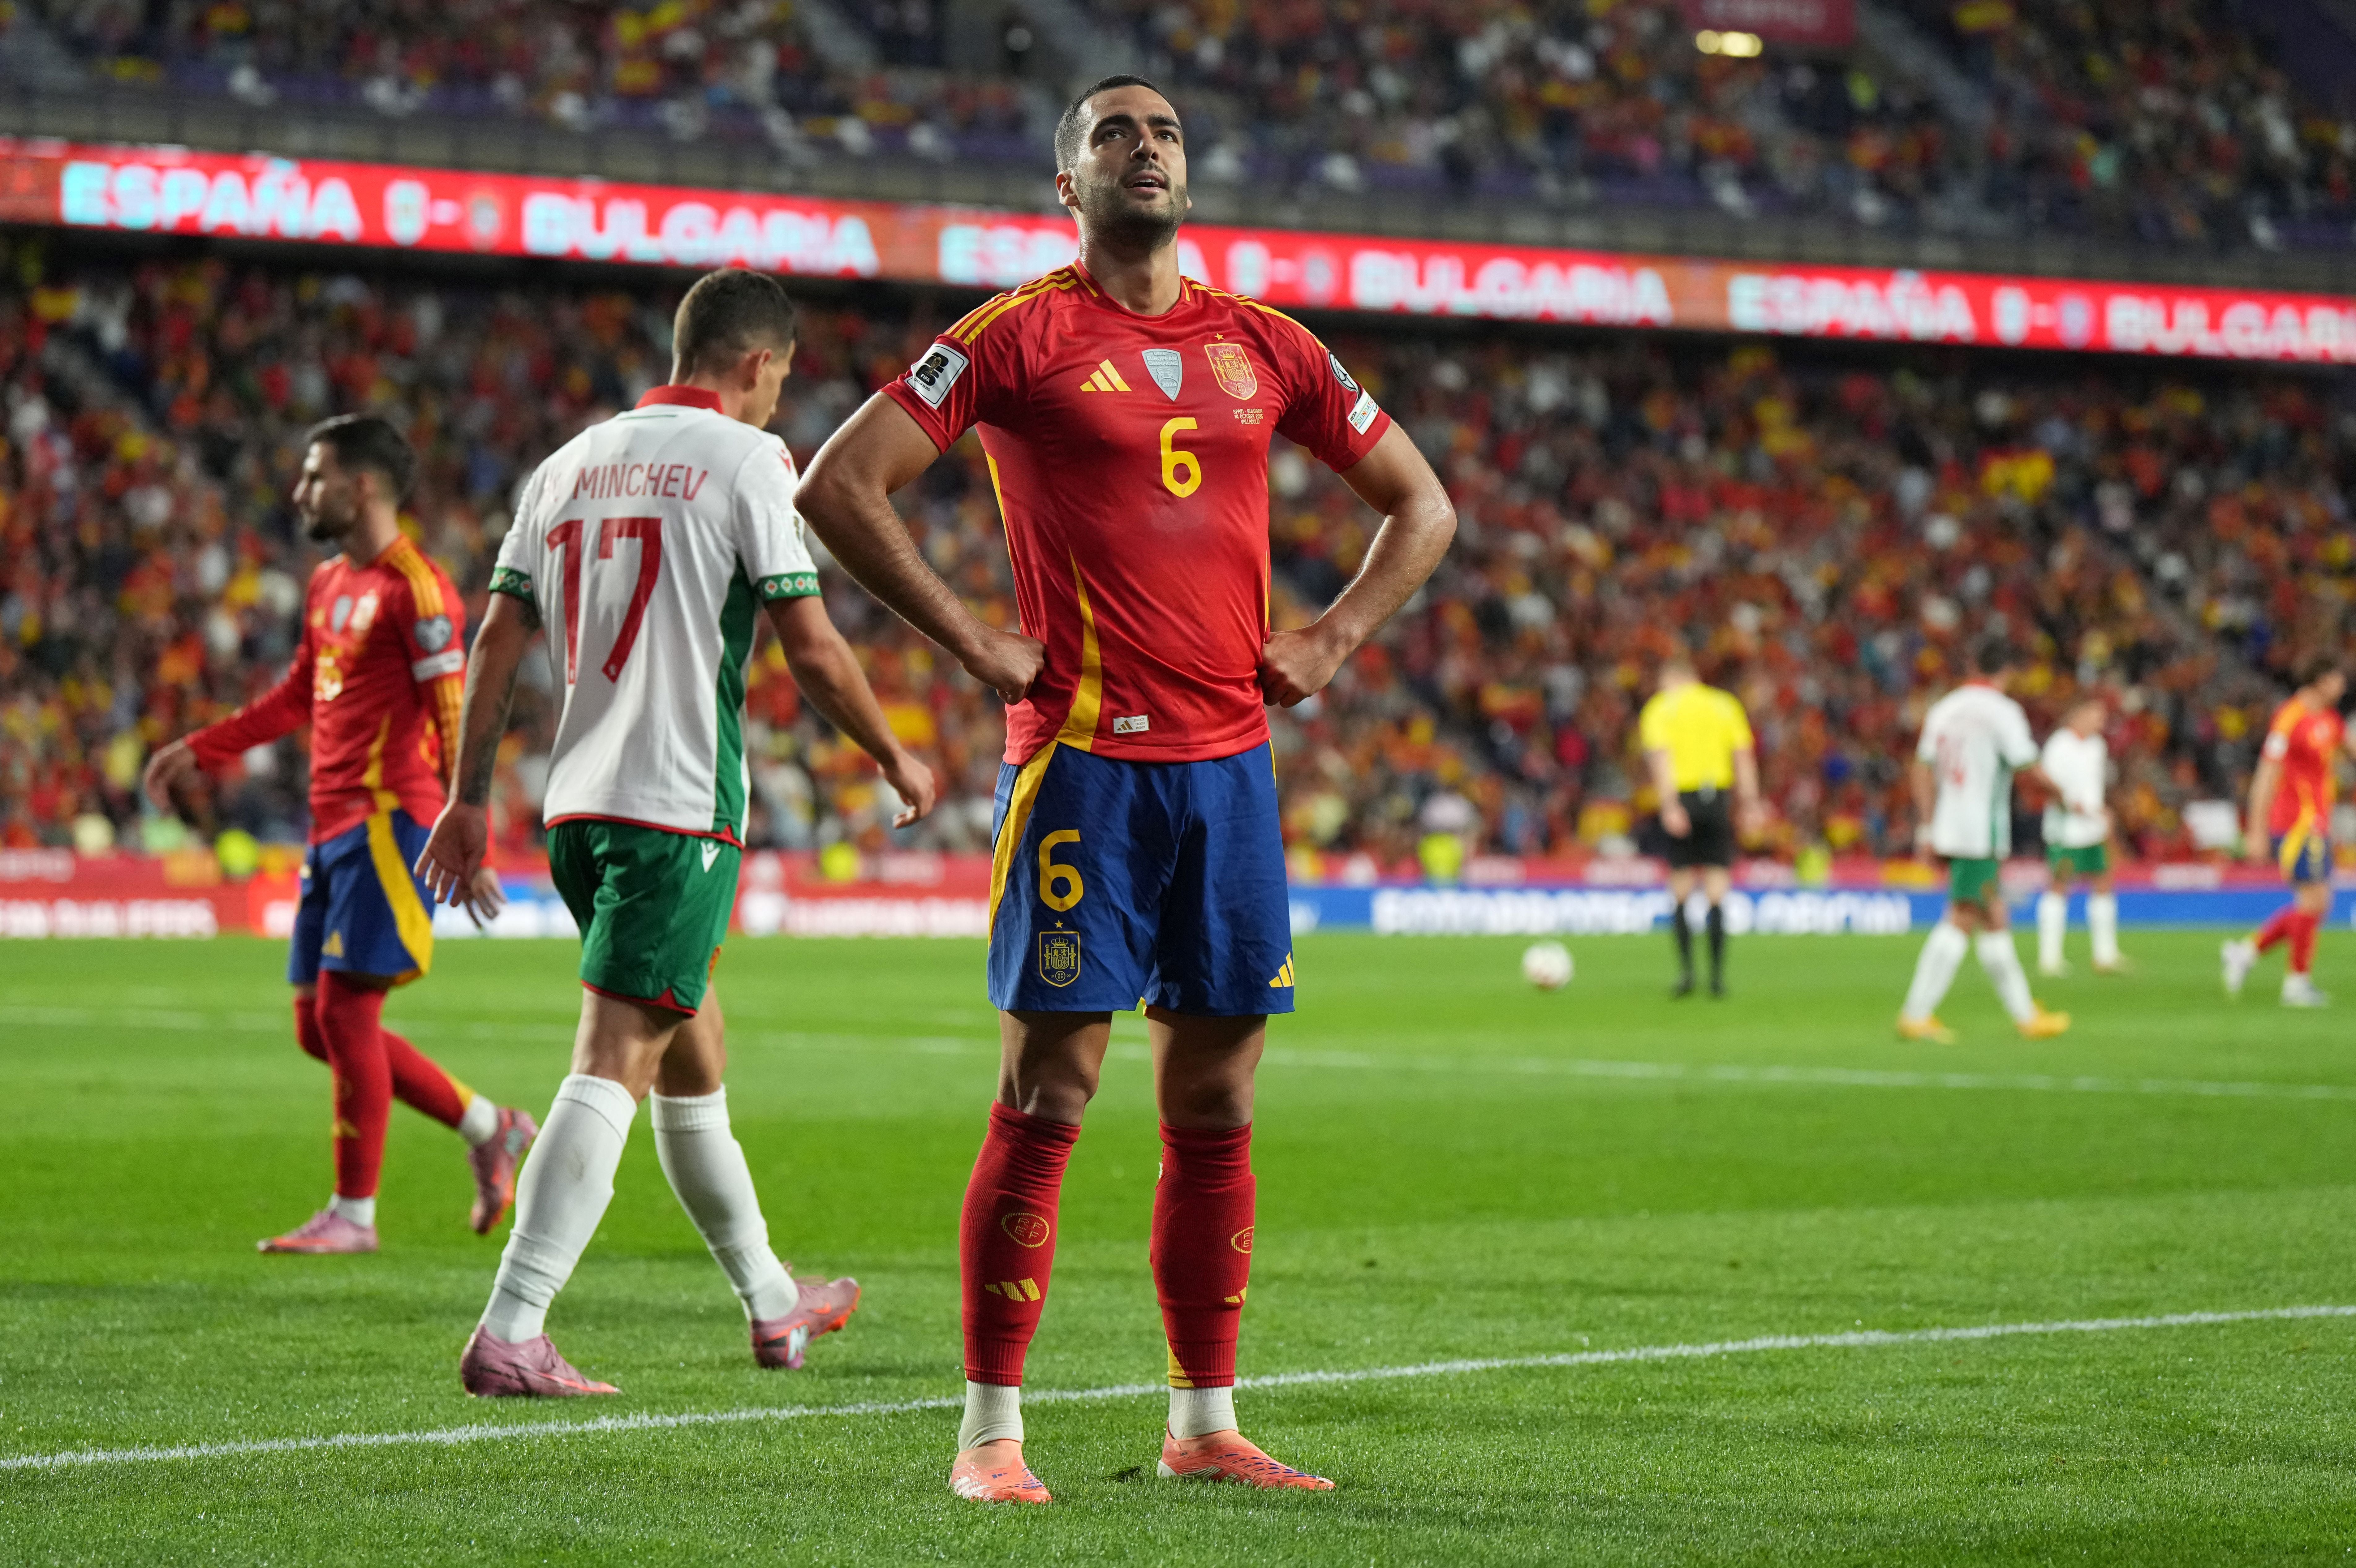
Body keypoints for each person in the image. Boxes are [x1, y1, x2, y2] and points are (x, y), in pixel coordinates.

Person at [793, 75, 1455, 1502]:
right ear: (1064, 185)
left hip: (1228, 771)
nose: (1141, 147)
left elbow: (1424, 502)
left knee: (1214, 1099)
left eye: (1160, 132)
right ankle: (986, 1438)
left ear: (1186, 174)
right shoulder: (1012, 334)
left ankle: (1202, 1423)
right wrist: (974, 642)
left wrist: (1333, 634)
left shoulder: (1263, 346)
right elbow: (839, 487)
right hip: (1082, 765)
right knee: (1051, 1087)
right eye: (1111, 133)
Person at [415, 269, 940, 1396]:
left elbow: (497, 638)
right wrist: (894, 751)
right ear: (759, 363)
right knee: (613, 1060)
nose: (778, 398)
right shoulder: (751, 459)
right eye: (783, 377)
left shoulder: (568, 462)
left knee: (691, 1046)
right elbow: (808, 643)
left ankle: (769, 1297)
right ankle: (512, 1327)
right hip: (675, 806)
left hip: (578, 807)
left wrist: (467, 797)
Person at [143, 415, 532, 1256]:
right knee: (314, 1025)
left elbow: (454, 711)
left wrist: (470, 826)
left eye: (314, 476)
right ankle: (490, 1124)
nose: (299, 492)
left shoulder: (418, 589)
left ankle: (353, 1215)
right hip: (331, 828)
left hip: (394, 820)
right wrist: (199, 749)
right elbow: (296, 695)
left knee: (346, 1007)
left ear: (360, 485)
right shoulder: (328, 582)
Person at [1895, 641, 2072, 1044]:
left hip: (1947, 825)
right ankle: (1915, 1014)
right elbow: (2028, 767)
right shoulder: (2001, 711)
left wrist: (1925, 827)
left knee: (1993, 917)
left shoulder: (1944, 708)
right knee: (1961, 915)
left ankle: (2025, 1016)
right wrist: (2065, 796)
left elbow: (1921, 768)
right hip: (1980, 832)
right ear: (2005, 673)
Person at [2222, 662, 2351, 1007]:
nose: (2343, 684)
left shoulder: (2330, 719)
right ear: (2321, 679)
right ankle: (2295, 982)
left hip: (2318, 823)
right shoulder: (2289, 718)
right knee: (2315, 901)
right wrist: (2255, 829)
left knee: (2315, 903)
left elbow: (2346, 752)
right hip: (2295, 823)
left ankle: (2246, 952)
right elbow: (2266, 774)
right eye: (2337, 677)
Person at [1638, 654, 1762, 997]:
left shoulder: (1661, 708)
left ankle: (1687, 975)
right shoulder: (1725, 705)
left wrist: (1669, 806)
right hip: (1718, 799)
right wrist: (1750, 803)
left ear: (1671, 678)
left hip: (1683, 797)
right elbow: (1743, 756)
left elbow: (1661, 759)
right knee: (1717, 887)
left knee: (1679, 887)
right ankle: (1717, 978)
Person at [2035, 697, 2126, 977]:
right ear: (2079, 714)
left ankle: (2105, 955)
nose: (2101, 722)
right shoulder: (2059, 745)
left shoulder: (2096, 746)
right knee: (2060, 885)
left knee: (2103, 882)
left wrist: (2101, 813)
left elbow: (2094, 788)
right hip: (2066, 828)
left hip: (2092, 828)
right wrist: (2074, 806)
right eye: (2097, 716)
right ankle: (2049, 958)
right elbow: (2047, 784)